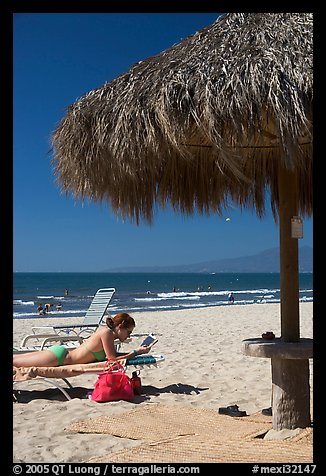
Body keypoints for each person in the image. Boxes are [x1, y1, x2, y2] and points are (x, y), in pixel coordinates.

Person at [13, 313, 151, 368]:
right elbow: (112, 360)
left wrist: (137, 352)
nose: (128, 336)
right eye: (128, 332)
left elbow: (113, 356)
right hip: (58, 358)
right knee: (15, 362)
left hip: (60, 354)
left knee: (16, 358)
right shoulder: (107, 333)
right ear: (120, 327)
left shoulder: (107, 332)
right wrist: (135, 352)